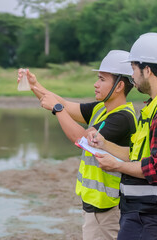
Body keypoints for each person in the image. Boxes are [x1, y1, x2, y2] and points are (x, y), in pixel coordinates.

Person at [87, 33, 157, 240]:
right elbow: (138, 155)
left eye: (134, 69)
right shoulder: (154, 107)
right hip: (140, 208)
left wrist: (115, 166)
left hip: (149, 210)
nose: (132, 76)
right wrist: (105, 144)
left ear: (147, 70)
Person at [18, 50, 137, 240]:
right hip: (95, 204)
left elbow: (82, 139)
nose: (95, 84)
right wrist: (34, 85)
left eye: (101, 79)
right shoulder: (101, 109)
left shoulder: (122, 117)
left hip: (107, 206)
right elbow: (64, 103)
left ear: (119, 86)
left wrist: (57, 110)